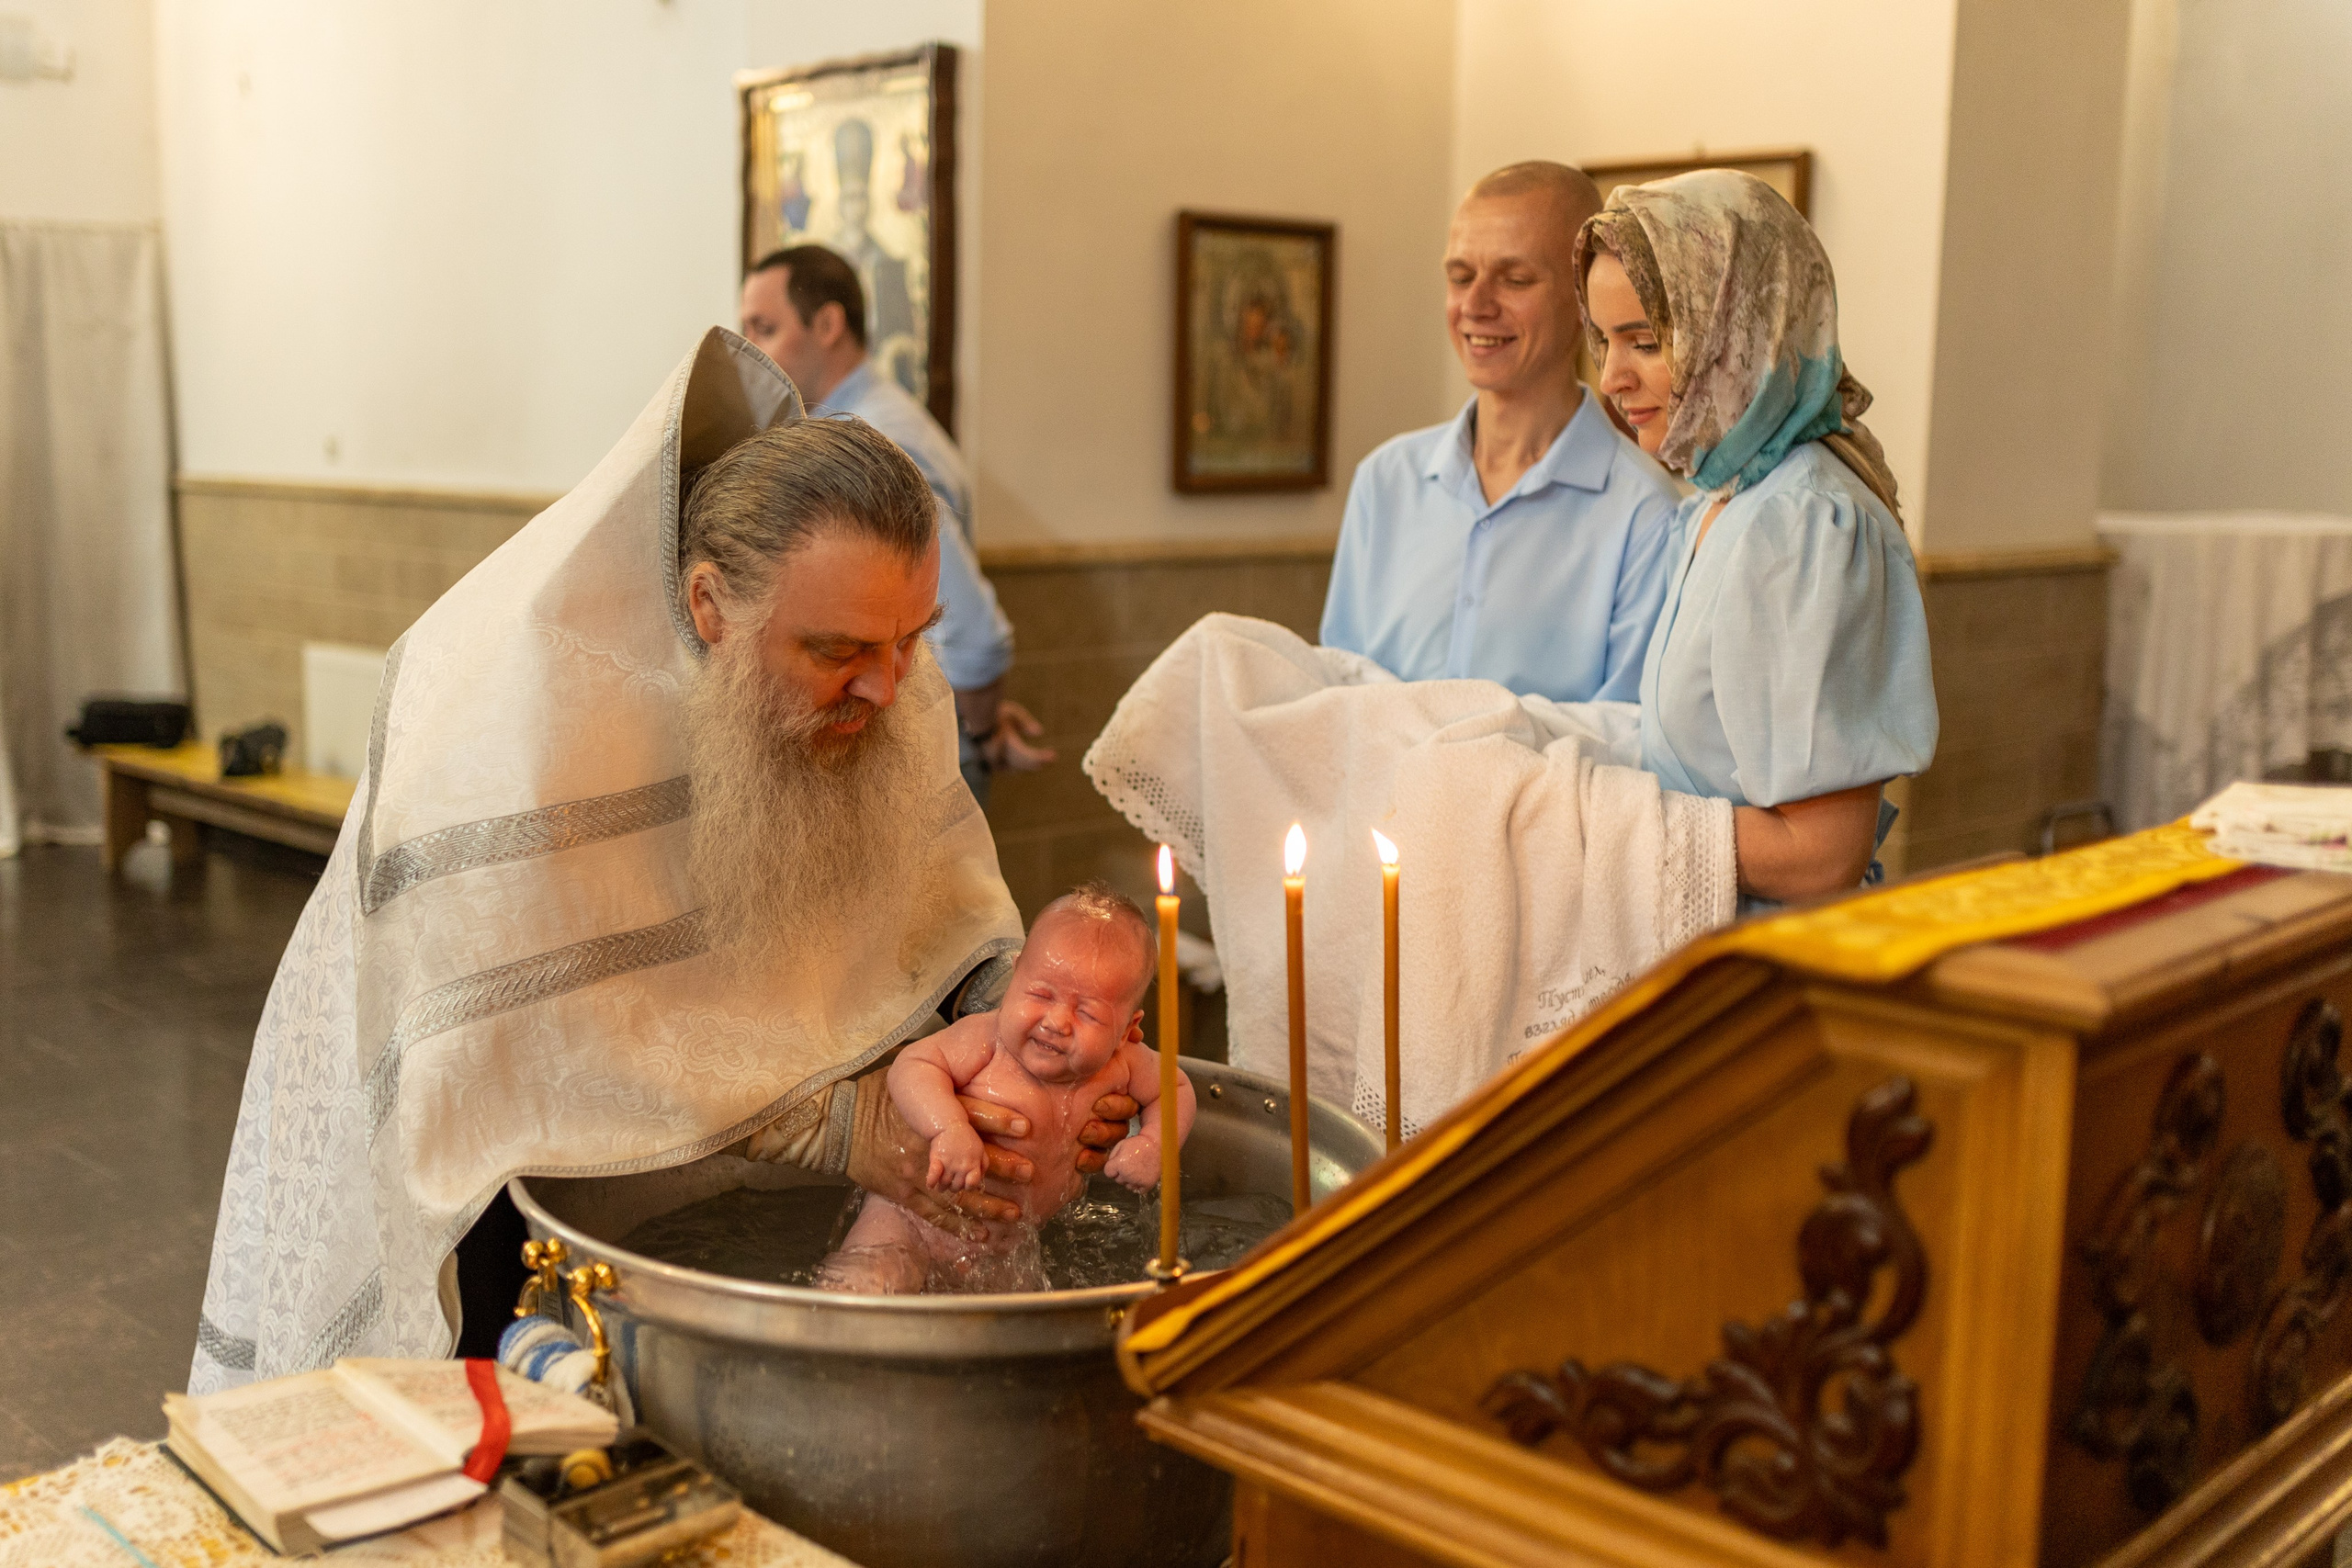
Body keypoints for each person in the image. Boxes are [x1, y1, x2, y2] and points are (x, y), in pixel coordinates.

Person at [188, 332, 1135, 1390]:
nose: (889, 687)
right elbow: (514, 1044)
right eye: (837, 652)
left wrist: (1029, 1026)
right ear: (708, 606)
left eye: (913, 637)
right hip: (511, 1212)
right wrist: (832, 1127)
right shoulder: (506, 736)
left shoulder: (883, 666)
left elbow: (941, 916)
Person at [1575, 170, 1938, 904]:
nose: (1611, 377)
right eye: (1604, 341)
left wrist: (1598, 821)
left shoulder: (1801, 526)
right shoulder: (1722, 499)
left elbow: (1819, 857)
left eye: (1644, 342)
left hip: (1765, 957)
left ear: (1740, 333)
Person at [1320, 162, 1682, 705]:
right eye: (1461, 276)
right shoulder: (1384, 481)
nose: (1475, 306)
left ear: (1585, 300)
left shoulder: (1647, 516)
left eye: (1515, 279)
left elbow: (1625, 735)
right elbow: (1336, 692)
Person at [741, 243, 1053, 804]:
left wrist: (977, 733)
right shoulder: (868, 419)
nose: (750, 351)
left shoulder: (875, 440)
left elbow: (974, 634)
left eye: (764, 329)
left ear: (828, 324)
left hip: (913, 738)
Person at [816, 885, 1196, 1295]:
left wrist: (1154, 1145)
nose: (1056, 1022)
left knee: (1007, 1322)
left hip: (1003, 1247)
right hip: (908, 1220)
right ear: (1015, 977)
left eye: (1088, 1013)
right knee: (866, 1286)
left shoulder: (1123, 1062)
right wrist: (948, 1128)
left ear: (1127, 1030)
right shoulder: (985, 1038)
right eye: (1040, 994)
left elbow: (1175, 1087)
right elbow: (913, 1066)